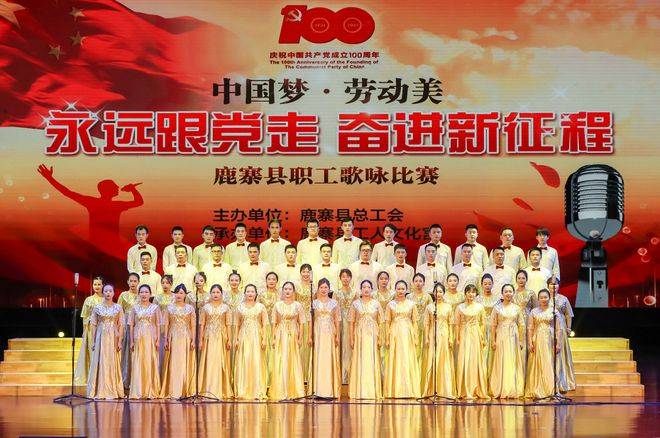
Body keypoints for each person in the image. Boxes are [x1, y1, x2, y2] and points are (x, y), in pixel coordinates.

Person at [269, 281, 307, 400]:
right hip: (281, 334)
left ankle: (294, 390)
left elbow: (302, 323)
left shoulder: (298, 305)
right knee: (281, 359)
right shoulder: (277, 305)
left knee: (293, 359)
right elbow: (274, 323)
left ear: (293, 291)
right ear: (282, 291)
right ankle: (280, 390)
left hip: (293, 333)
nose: (287, 291)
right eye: (285, 289)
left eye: (290, 289)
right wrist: (274, 338)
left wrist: (300, 338)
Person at [383, 280, 420, 398]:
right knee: (395, 357)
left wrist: (416, 337)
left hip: (407, 333)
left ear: (406, 290)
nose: (400, 291)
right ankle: (394, 390)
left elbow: (415, 322)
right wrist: (387, 338)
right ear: (395, 289)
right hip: (394, 332)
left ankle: (409, 389)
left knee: (407, 357)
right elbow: (387, 322)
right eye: (398, 289)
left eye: (403, 289)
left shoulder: (411, 304)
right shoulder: (390, 304)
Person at [86, 283, 125, 399]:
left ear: (114, 293)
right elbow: (93, 324)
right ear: (103, 293)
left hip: (113, 336)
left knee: (112, 360)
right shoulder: (97, 307)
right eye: (106, 291)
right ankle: (99, 389)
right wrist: (93, 340)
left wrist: (119, 341)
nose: (108, 293)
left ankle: (113, 389)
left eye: (110, 291)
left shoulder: (118, 307)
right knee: (100, 360)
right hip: (101, 337)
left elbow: (121, 325)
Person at [348, 280, 383, 400]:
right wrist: (351, 338)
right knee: (360, 359)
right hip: (360, 335)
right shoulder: (355, 304)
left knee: (371, 359)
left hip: (373, 335)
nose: (366, 289)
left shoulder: (376, 303)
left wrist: (380, 338)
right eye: (364, 287)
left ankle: (372, 391)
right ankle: (359, 391)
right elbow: (351, 322)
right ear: (361, 289)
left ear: (372, 289)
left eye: (368, 287)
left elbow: (381, 322)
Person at [489, 284, 525, 399]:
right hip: (501, 335)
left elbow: (521, 325)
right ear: (502, 293)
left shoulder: (517, 308)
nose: (508, 293)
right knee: (502, 359)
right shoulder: (497, 308)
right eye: (506, 291)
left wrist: (521, 340)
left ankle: (513, 388)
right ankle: (501, 388)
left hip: (513, 337)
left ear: (513, 293)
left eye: (510, 291)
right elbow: (493, 325)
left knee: (512, 360)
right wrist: (493, 340)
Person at [233, 284, 269, 400]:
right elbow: (237, 325)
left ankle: (257, 390)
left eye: (252, 291)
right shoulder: (239, 307)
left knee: (256, 360)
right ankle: (243, 389)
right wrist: (236, 339)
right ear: (244, 293)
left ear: (256, 293)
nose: (250, 293)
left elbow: (265, 324)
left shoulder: (261, 307)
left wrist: (264, 338)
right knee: (244, 360)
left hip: (257, 336)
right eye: (248, 291)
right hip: (243, 336)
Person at [160, 284, 196, 398]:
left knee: (184, 362)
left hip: (186, 337)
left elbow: (193, 325)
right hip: (173, 337)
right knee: (173, 362)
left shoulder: (190, 308)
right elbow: (166, 324)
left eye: (181, 293)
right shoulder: (169, 308)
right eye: (176, 293)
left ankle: (185, 389)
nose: (178, 295)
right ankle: (172, 389)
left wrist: (193, 340)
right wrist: (166, 339)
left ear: (185, 295)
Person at [525, 289, 562, 399]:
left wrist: (558, 343)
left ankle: (550, 389)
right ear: (538, 299)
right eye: (541, 297)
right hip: (537, 339)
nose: (543, 299)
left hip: (549, 339)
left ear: (549, 298)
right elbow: (530, 328)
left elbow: (559, 329)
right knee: (537, 362)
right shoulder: (534, 311)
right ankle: (537, 388)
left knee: (549, 362)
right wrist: (530, 342)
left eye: (545, 297)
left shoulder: (554, 311)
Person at [198, 284, 233, 399]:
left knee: (220, 361)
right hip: (209, 337)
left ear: (222, 294)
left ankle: (221, 389)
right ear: (210, 294)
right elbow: (202, 324)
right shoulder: (205, 307)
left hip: (221, 337)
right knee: (209, 361)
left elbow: (228, 324)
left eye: (218, 292)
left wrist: (229, 339)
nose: (215, 294)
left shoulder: (226, 308)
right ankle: (207, 388)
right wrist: (201, 340)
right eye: (213, 292)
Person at [422, 283, 455, 399]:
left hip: (444, 333)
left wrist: (451, 337)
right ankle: (431, 388)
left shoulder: (448, 307)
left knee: (443, 358)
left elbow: (451, 323)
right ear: (433, 293)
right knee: (433, 358)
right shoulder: (430, 307)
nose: (438, 294)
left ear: (444, 293)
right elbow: (426, 323)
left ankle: (444, 389)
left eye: (441, 291)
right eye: (436, 291)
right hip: (433, 333)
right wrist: (426, 337)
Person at [455, 284, 488, 400]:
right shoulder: (460, 307)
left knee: (475, 359)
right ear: (465, 293)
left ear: (476, 294)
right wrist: (457, 337)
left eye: (473, 292)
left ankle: (476, 388)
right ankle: (464, 389)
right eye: (469, 292)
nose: (471, 294)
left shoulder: (480, 307)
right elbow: (457, 324)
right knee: (464, 359)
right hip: (464, 334)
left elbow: (483, 323)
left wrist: (482, 336)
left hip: (475, 334)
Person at [309, 278, 341, 399]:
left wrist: (337, 336)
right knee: (318, 358)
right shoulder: (314, 303)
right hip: (317, 333)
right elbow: (311, 321)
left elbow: (337, 320)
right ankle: (317, 390)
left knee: (328, 358)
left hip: (330, 333)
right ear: (318, 289)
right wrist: (310, 336)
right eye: (321, 287)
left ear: (329, 289)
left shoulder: (334, 303)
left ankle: (329, 390)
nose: (323, 289)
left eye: (325, 287)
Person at [128, 284, 161, 399]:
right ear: (139, 294)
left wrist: (158, 340)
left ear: (150, 294)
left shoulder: (155, 308)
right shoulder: (134, 308)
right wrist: (131, 341)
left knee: (149, 361)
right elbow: (131, 325)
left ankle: (150, 390)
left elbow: (158, 324)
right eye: (141, 292)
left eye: (146, 292)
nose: (144, 294)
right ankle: (138, 390)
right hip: (138, 337)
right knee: (138, 361)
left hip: (151, 338)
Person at [74, 275, 104, 386]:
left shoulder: (106, 299)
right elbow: (85, 316)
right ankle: (92, 377)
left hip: (104, 329)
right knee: (92, 351)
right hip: (91, 329)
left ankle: (102, 377)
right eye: (95, 284)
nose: (97, 286)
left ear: (103, 285)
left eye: (99, 284)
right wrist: (84, 331)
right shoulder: (89, 300)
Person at [547, 278, 576, 392]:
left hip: (561, 328)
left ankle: (563, 381)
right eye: (551, 284)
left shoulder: (564, 299)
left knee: (560, 353)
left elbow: (569, 314)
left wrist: (568, 327)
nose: (553, 287)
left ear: (559, 286)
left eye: (555, 284)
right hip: (548, 328)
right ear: (547, 286)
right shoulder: (544, 297)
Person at [118, 273, 140, 388]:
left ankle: (137, 380)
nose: (133, 283)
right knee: (126, 351)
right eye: (131, 281)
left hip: (138, 325)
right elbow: (118, 311)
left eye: (135, 281)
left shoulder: (142, 294)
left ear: (138, 282)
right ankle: (125, 379)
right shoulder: (123, 295)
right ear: (127, 282)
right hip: (126, 324)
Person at [335, 268, 356, 385]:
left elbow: (357, 308)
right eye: (343, 276)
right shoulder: (336, 293)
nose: (345, 279)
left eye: (347, 276)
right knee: (340, 347)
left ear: (351, 278)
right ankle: (340, 376)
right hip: (339, 321)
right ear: (340, 278)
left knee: (349, 347)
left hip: (351, 322)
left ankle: (350, 375)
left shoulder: (355, 293)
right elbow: (333, 308)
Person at [476, 274, 500, 372]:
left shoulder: (497, 298)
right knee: (482, 350)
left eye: (489, 283)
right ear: (481, 284)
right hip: (481, 326)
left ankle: (492, 374)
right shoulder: (477, 298)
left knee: (494, 351)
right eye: (485, 284)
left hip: (494, 327)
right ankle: (482, 375)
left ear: (493, 284)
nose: (487, 286)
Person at [259, 272, 280, 384]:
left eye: (273, 279)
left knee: (275, 350)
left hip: (276, 325)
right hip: (265, 326)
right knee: (265, 350)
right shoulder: (261, 294)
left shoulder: (281, 294)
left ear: (277, 281)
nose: (271, 281)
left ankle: (275, 379)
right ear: (266, 281)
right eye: (269, 279)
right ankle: (264, 378)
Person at [407, 273, 433, 361]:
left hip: (425, 323)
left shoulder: (428, 296)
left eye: (420, 281)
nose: (418, 283)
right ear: (413, 283)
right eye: (416, 281)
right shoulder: (409, 297)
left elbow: (431, 310)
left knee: (424, 345)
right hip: (412, 323)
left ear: (424, 283)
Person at [224, 271, 244, 372]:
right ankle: (227, 374)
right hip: (226, 325)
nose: (234, 282)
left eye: (236, 280)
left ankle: (237, 374)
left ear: (240, 282)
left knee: (238, 347)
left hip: (239, 325)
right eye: (232, 280)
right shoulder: (223, 295)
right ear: (228, 281)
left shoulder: (244, 295)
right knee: (227, 348)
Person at [154, 275, 175, 370]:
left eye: (167, 283)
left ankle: (169, 370)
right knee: (161, 346)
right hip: (160, 324)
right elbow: (153, 311)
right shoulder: (157, 297)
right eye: (163, 283)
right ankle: (159, 370)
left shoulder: (175, 296)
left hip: (172, 324)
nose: (165, 285)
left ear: (171, 284)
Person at [296, 264, 314, 377]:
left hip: (310, 319)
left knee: (309, 345)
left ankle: (309, 375)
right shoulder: (296, 286)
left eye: (308, 271)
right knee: (299, 346)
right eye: (304, 271)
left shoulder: (314, 287)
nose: (306, 274)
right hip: (298, 320)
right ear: (300, 273)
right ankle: (299, 375)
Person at [374, 271, 393, 369]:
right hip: (377, 324)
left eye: (386, 279)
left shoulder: (393, 294)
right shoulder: (373, 295)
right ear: (377, 280)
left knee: (389, 347)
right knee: (378, 347)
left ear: (389, 280)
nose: (384, 281)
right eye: (381, 279)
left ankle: (388, 372)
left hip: (390, 324)